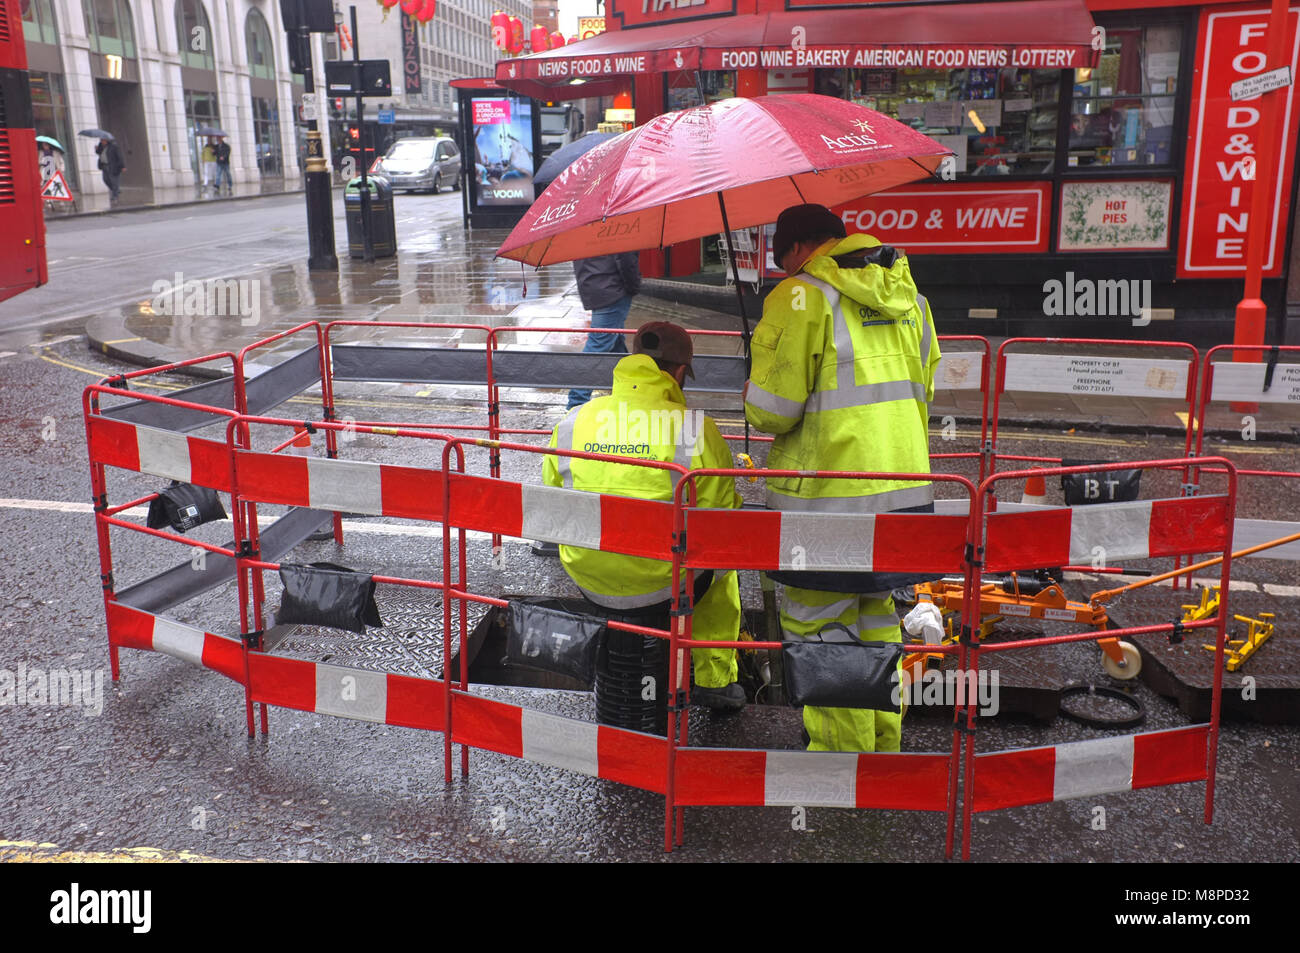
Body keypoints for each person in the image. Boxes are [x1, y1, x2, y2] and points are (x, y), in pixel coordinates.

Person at [743, 203, 940, 753]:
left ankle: (841, 764)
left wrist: (756, 362)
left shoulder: (799, 297)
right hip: (902, 496)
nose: (785, 274)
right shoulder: (910, 298)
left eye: (784, 262)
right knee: (875, 622)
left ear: (798, 249)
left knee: (818, 631)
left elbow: (772, 410)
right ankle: (881, 746)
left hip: (825, 503)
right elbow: (923, 386)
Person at [543, 322, 746, 711]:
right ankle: (713, 679)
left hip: (588, 571)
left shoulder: (574, 420)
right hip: (663, 584)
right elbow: (722, 519)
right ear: (680, 373)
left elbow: (551, 499)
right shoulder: (695, 428)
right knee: (722, 566)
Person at [566, 252, 641, 409]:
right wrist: (634, 286)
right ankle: (575, 403)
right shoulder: (618, 228)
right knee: (598, 346)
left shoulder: (586, 227)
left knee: (615, 344)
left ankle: (630, 391)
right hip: (612, 290)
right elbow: (626, 259)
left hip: (594, 285)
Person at [95, 137, 125, 203]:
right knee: (105, 179)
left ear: (107, 140)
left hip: (113, 166)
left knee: (114, 181)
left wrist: (122, 166)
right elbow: (99, 153)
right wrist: (96, 149)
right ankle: (116, 190)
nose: (102, 141)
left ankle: (115, 196)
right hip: (104, 166)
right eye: (101, 140)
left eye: (103, 140)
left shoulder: (113, 146)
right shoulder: (101, 146)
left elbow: (119, 156)